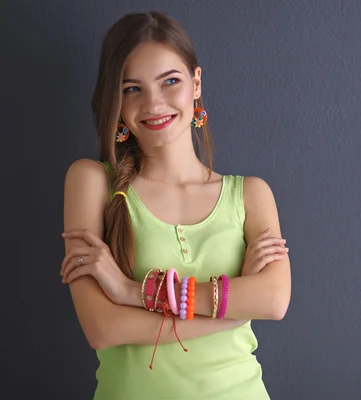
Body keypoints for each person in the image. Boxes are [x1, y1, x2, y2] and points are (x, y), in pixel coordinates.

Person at [59, 10, 291, 400]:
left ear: (196, 83)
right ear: (115, 99)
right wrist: (235, 308)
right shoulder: (91, 181)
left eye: (170, 81)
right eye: (132, 88)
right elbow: (103, 329)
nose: (154, 103)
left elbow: (275, 300)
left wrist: (135, 294)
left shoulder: (251, 194)